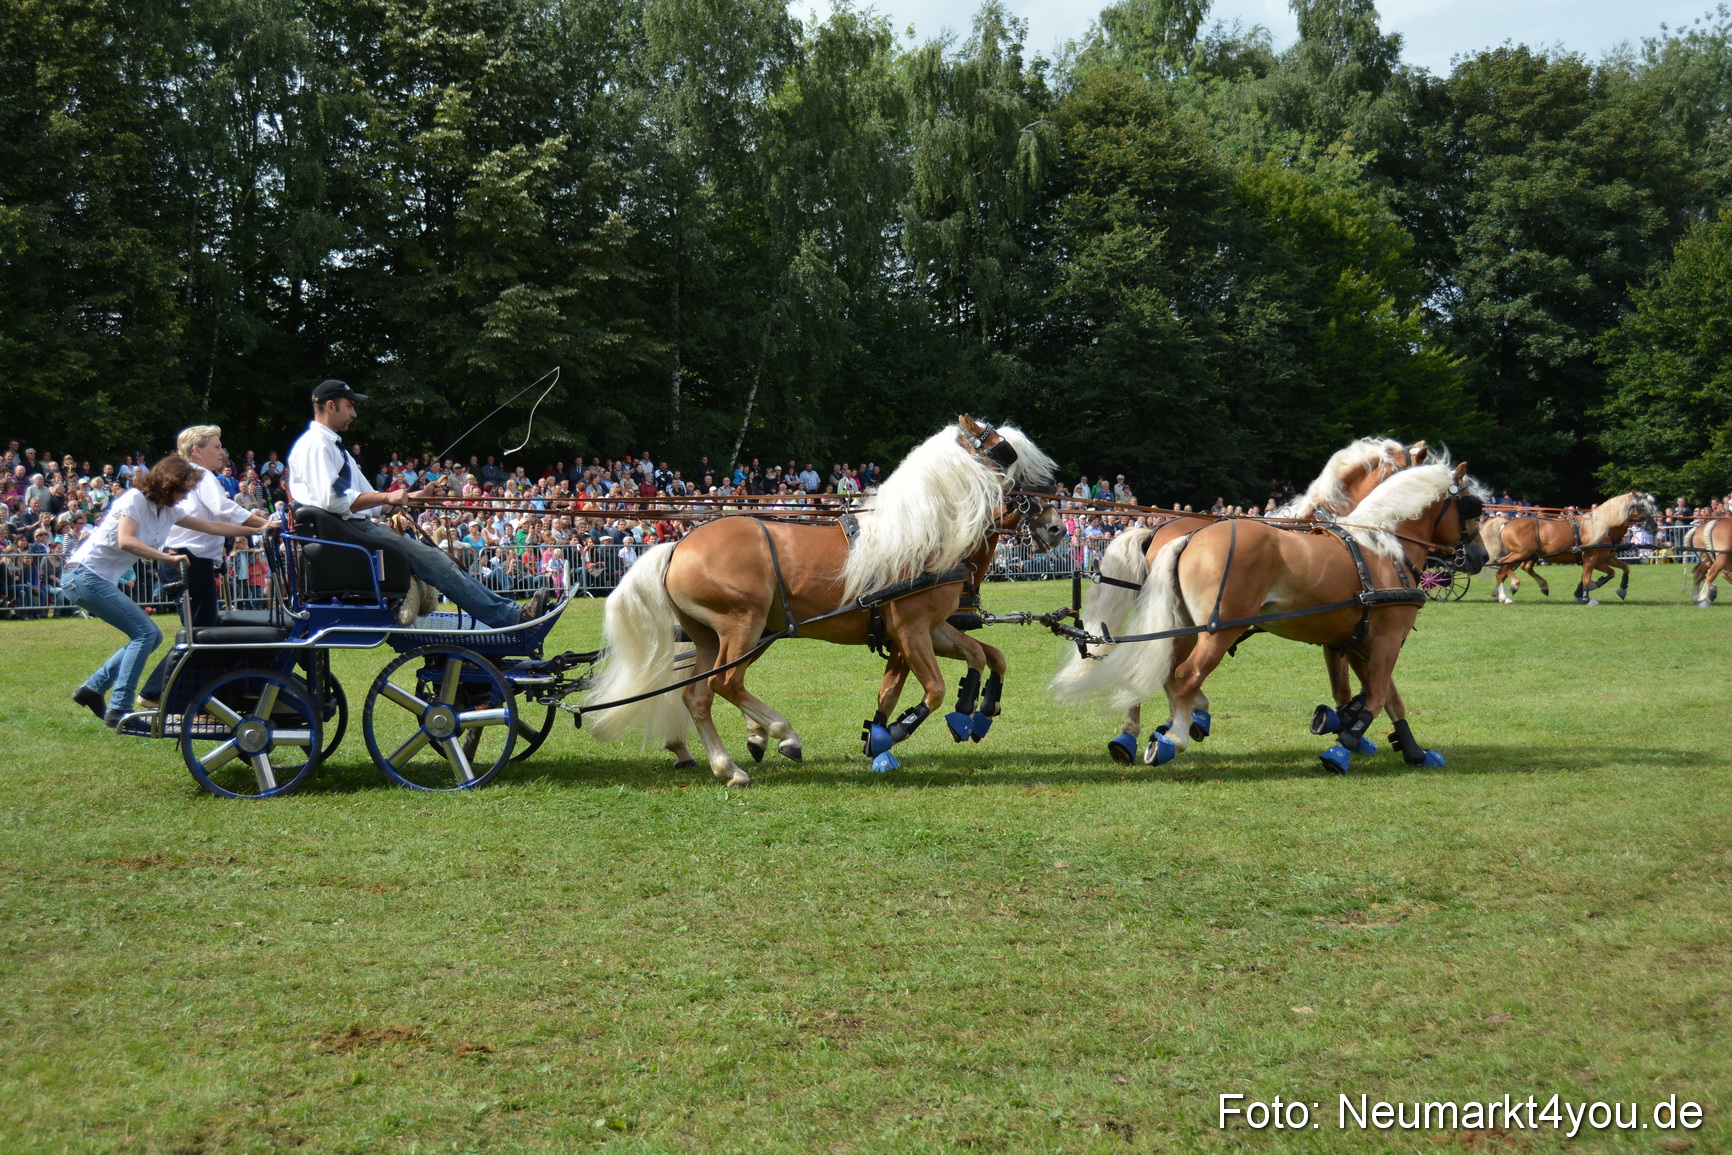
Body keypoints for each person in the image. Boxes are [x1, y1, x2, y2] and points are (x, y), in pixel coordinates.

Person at [286, 379, 546, 627]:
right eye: (350, 405)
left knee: (441, 560)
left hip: (356, 531)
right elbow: (333, 500)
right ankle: (512, 618)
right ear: (331, 406)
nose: (354, 413)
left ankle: (512, 614)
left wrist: (420, 495)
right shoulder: (316, 446)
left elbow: (373, 504)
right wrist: (388, 496)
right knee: (440, 564)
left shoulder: (334, 448)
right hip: (349, 536)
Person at [64, 456, 257, 727]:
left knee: (150, 637)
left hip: (97, 580)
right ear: (168, 485)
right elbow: (126, 540)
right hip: (82, 576)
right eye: (182, 490)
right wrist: (168, 558)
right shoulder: (135, 499)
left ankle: (92, 689)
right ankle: (119, 710)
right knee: (145, 634)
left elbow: (213, 526)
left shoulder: (168, 510)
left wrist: (258, 527)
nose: (184, 497)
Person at [134, 425, 272, 706]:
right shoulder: (202, 474)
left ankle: (205, 698)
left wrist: (261, 526)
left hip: (184, 560)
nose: (223, 452)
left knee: (204, 634)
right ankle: (155, 693)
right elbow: (223, 509)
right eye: (217, 446)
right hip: (189, 561)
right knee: (202, 636)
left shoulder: (185, 473)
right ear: (197, 450)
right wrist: (265, 525)